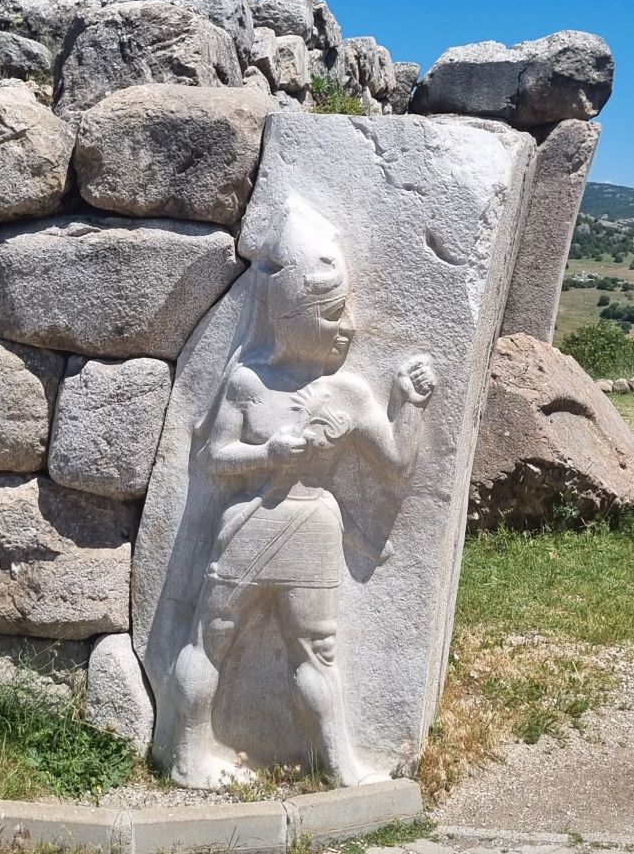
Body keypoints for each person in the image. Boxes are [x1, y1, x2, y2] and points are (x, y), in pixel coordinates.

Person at [164, 199, 435, 788]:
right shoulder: (247, 381)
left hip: (314, 527)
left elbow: (396, 464)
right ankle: (186, 757)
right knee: (210, 642)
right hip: (250, 523)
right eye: (333, 314)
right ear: (290, 317)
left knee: (318, 652)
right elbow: (213, 457)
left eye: (347, 310)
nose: (349, 326)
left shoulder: (350, 393)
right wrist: (268, 453)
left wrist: (408, 405)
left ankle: (339, 764)